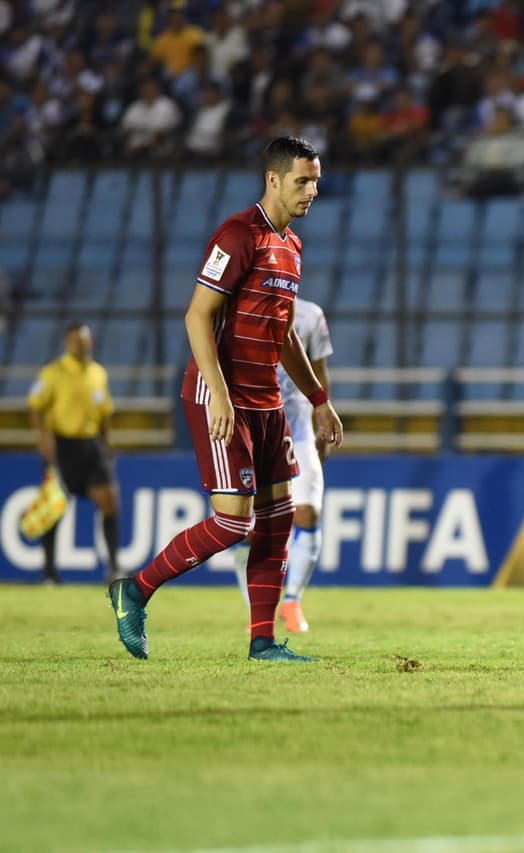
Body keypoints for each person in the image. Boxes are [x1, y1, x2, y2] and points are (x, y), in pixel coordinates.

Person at [107, 136, 343, 663]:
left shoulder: (292, 247)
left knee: (278, 518)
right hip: (223, 394)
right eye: (303, 180)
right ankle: (135, 591)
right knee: (235, 520)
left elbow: (283, 337)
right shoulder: (239, 235)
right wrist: (217, 393)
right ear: (274, 179)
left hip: (266, 402)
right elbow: (196, 315)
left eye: (317, 181)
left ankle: (262, 641)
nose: (312, 191)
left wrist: (319, 399)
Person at [233, 297, 333, 633]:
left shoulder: (309, 314)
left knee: (308, 514)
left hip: (299, 432)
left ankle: (292, 602)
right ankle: (256, 613)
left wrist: (323, 417)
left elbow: (318, 372)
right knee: (245, 527)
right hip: (252, 430)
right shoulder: (237, 306)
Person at [27, 323, 124, 584]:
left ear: (90, 342)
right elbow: (35, 405)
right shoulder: (53, 372)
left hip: (91, 445)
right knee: (55, 506)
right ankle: (49, 572)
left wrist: (107, 445)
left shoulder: (97, 373)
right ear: (67, 342)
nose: (79, 344)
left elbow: (104, 413)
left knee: (109, 501)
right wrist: (44, 438)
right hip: (63, 445)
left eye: (83, 340)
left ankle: (114, 568)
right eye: (74, 340)